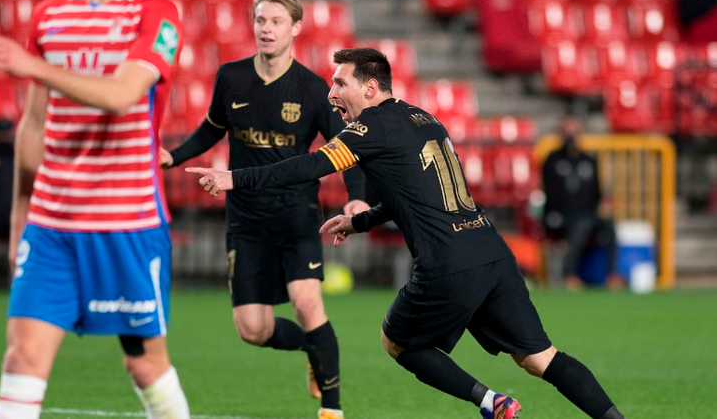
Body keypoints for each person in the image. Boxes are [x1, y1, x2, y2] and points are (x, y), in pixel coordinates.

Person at [187, 48, 626, 419]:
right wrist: (359, 221)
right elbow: (414, 194)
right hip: (490, 251)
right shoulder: (424, 118)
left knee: (396, 342)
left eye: (341, 84)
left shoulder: (369, 127)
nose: (331, 93)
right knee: (539, 359)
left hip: (448, 264)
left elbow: (311, 165)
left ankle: (491, 402)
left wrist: (235, 178)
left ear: (370, 89)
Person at [0, 0, 189, 418]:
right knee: (22, 357)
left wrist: (33, 66)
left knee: (145, 365)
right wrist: (20, 220)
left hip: (127, 221)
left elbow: (122, 95)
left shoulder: (159, 14)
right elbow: (33, 124)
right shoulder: (49, 14)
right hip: (52, 224)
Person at [159, 0, 367, 419]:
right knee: (252, 329)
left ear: (295, 28)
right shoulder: (231, 77)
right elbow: (212, 127)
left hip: (297, 213)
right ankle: (316, 349)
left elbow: (346, 150)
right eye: (260, 20)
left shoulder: (313, 89)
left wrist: (356, 200)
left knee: (308, 305)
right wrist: (173, 155)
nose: (266, 29)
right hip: (246, 219)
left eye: (276, 21)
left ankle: (332, 410)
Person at [541, 117, 621, 291]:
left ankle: (612, 274)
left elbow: (597, 191)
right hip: (562, 215)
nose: (571, 137)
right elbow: (549, 192)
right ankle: (569, 274)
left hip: (589, 214)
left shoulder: (589, 161)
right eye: (568, 133)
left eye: (575, 133)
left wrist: (604, 204)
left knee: (609, 226)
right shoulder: (553, 160)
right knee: (581, 225)